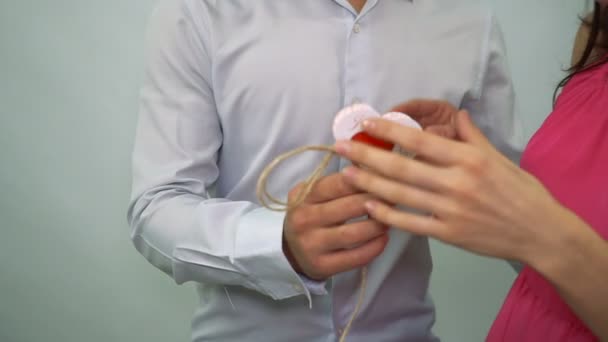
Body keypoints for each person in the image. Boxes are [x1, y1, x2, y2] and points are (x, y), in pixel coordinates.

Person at [127, 0, 522, 340]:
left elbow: (523, 217)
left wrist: (468, 171)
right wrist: (277, 243)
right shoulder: (202, 10)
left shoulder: (468, 17)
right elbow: (157, 206)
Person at [333, 1, 608, 341]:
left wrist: (541, 234)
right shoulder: (596, 41)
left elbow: (546, 231)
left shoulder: (469, 25)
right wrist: (476, 168)